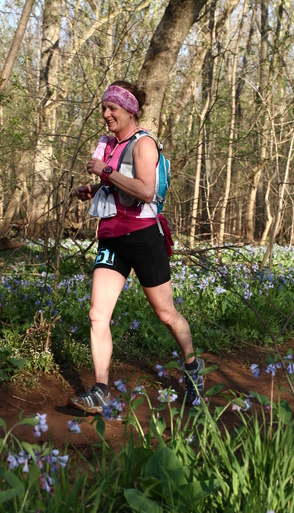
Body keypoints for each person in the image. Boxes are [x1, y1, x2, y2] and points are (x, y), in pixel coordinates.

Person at [67, 80, 204, 414]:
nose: (106, 114)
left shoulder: (144, 144)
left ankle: (193, 366)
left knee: (166, 314)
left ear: (129, 110)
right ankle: (101, 390)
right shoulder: (108, 144)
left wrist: (105, 172)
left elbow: (145, 191)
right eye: (104, 108)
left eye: (112, 108)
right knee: (97, 314)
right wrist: (91, 189)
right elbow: (115, 185)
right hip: (112, 237)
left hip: (144, 238)